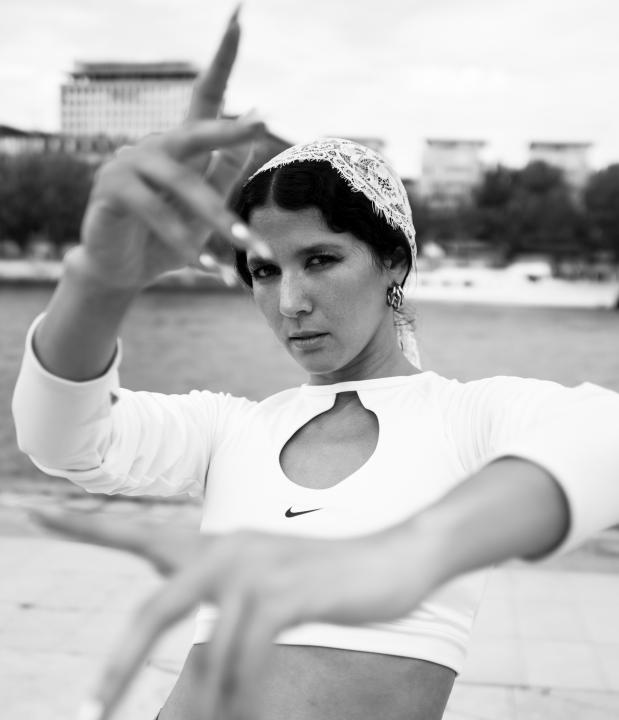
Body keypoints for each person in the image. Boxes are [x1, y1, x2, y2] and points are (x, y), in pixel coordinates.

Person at [11, 12, 619, 720]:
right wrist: (98, 284)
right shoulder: (230, 431)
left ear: (392, 261)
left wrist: (415, 550)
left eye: (321, 260)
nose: (290, 302)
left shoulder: (467, 420)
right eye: (264, 271)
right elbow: (61, 441)